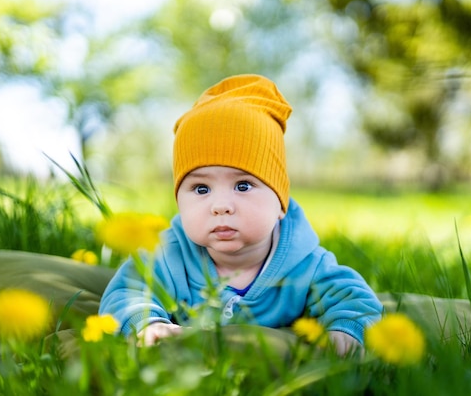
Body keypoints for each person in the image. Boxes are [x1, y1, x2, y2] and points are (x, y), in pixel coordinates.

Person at [99, 74, 383, 356]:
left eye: (243, 185)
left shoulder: (306, 263)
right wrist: (148, 322)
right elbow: (126, 292)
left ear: (281, 203)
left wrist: (345, 329)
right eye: (200, 188)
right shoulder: (167, 255)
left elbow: (355, 299)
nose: (220, 205)